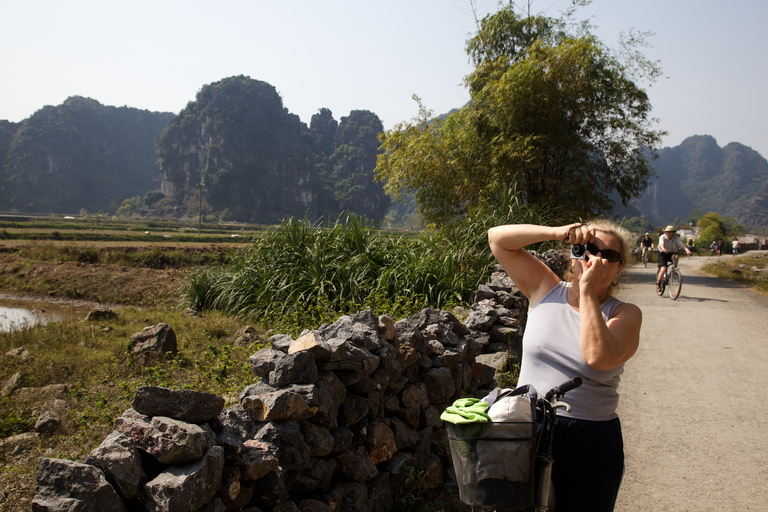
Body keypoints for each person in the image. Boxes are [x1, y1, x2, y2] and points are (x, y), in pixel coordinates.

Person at [488, 221, 642, 512]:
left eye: (609, 256)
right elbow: (497, 239)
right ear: (573, 255)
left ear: (619, 269)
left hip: (591, 437)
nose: (597, 260)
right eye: (588, 250)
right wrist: (558, 231)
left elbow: (598, 356)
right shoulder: (545, 287)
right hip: (528, 425)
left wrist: (586, 292)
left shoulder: (624, 314)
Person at [657, 225, 691, 290]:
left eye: (670, 232)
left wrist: (687, 250)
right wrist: (663, 249)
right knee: (663, 269)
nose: (668, 233)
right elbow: (661, 244)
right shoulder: (662, 237)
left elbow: (682, 245)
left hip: (671, 253)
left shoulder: (676, 238)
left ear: (673, 233)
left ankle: (674, 270)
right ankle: (658, 283)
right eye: (667, 232)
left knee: (676, 257)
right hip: (663, 253)